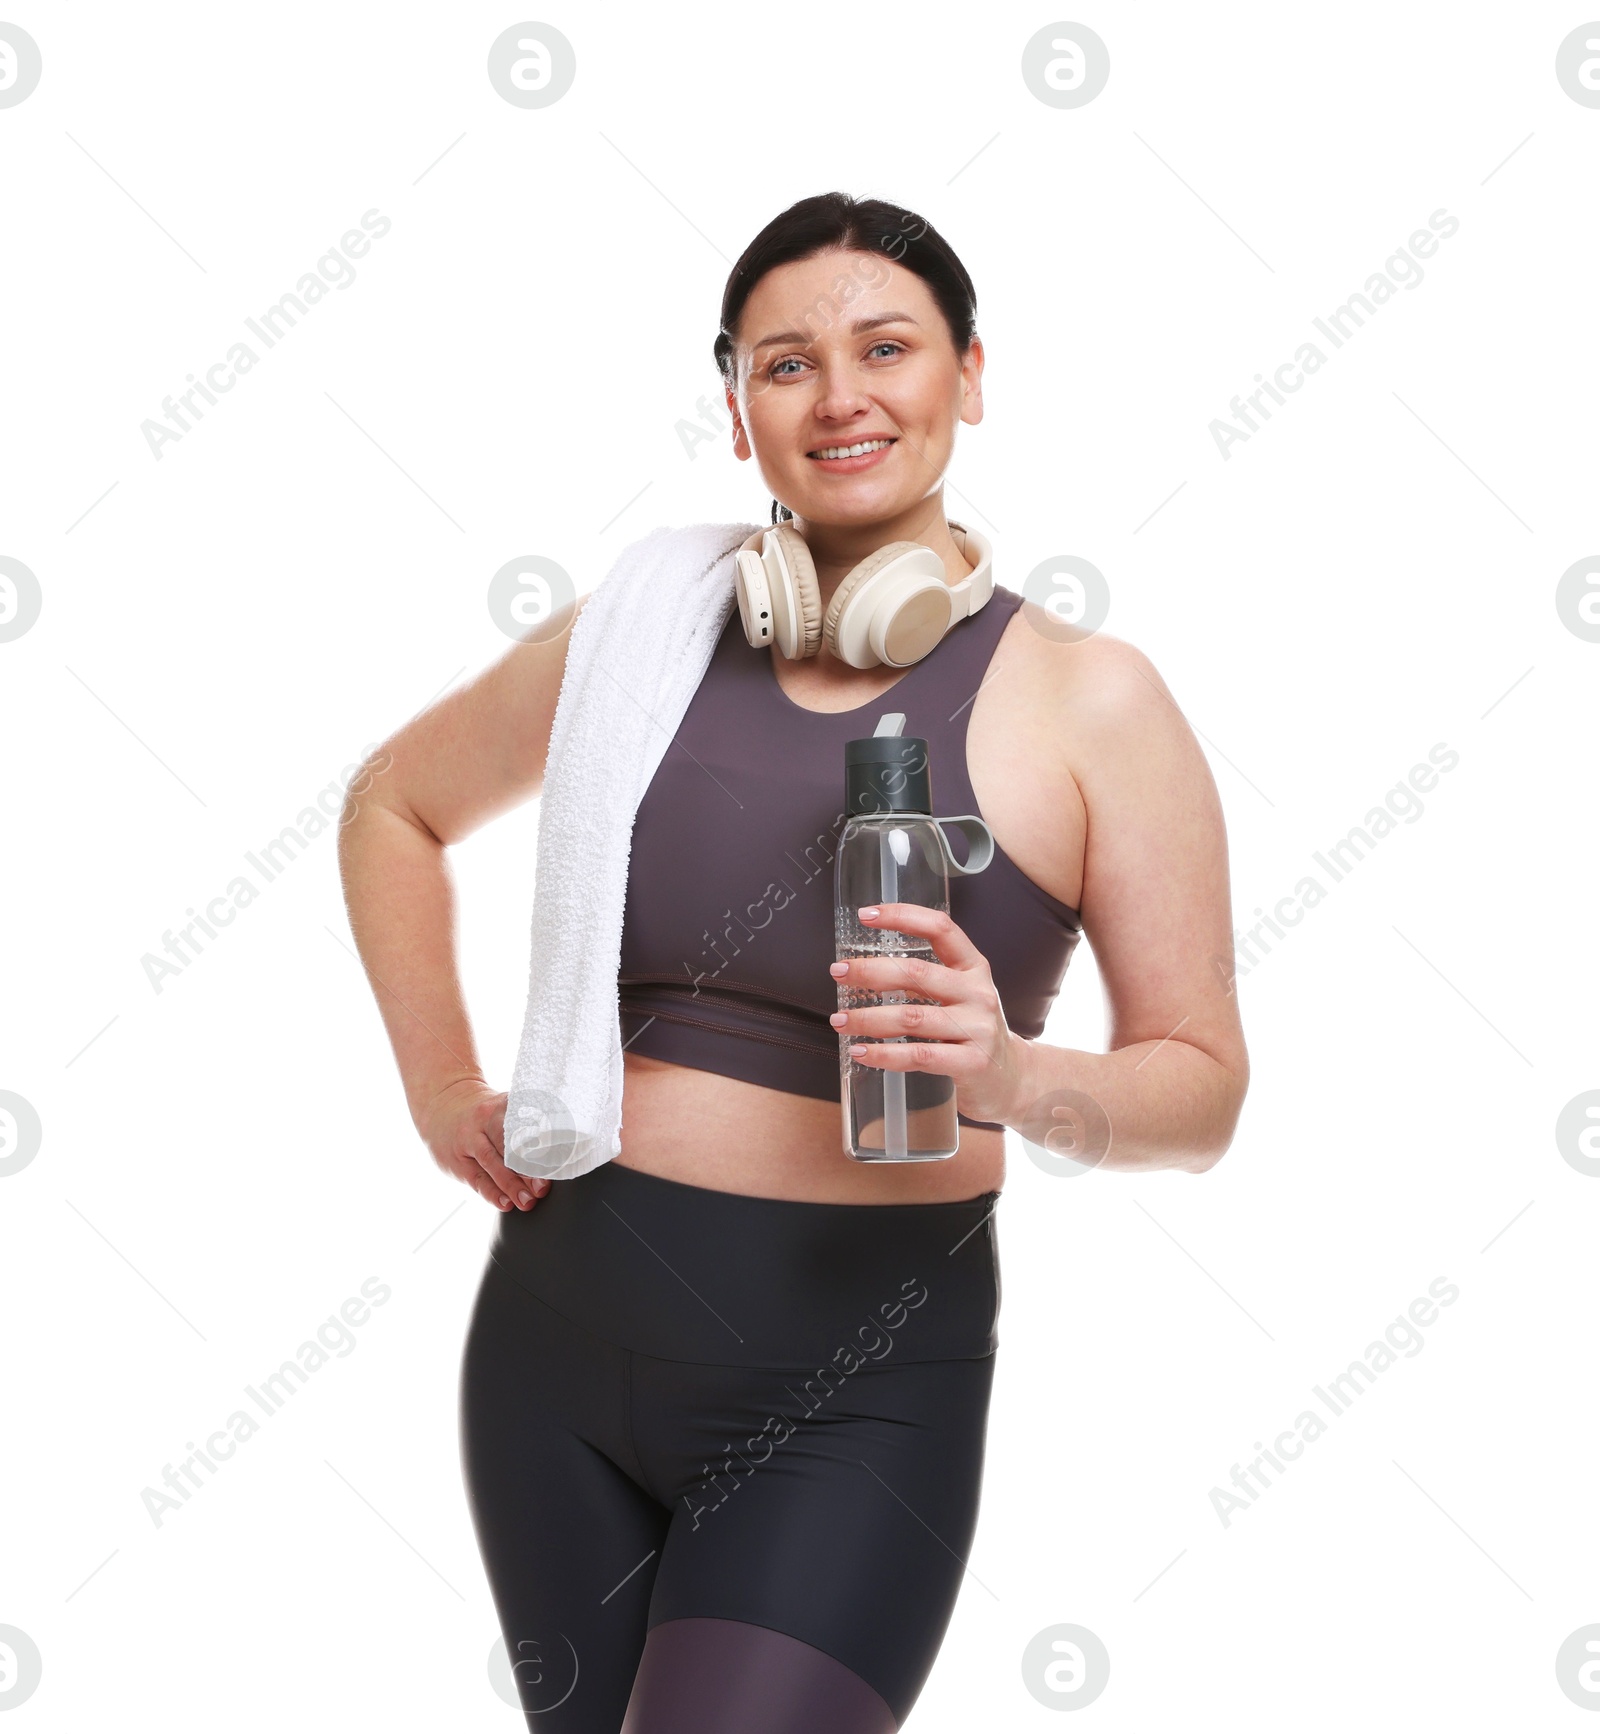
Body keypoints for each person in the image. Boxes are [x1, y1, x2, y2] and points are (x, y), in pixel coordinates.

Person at [338, 191, 1249, 1732]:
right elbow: (393, 806)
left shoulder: (1094, 702)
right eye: (786, 362)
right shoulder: (641, 637)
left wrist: (1015, 1074)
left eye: (886, 347)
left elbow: (1203, 1093)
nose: (840, 395)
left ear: (969, 372)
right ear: (737, 403)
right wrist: (440, 1080)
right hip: (553, 1355)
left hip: (856, 1393)